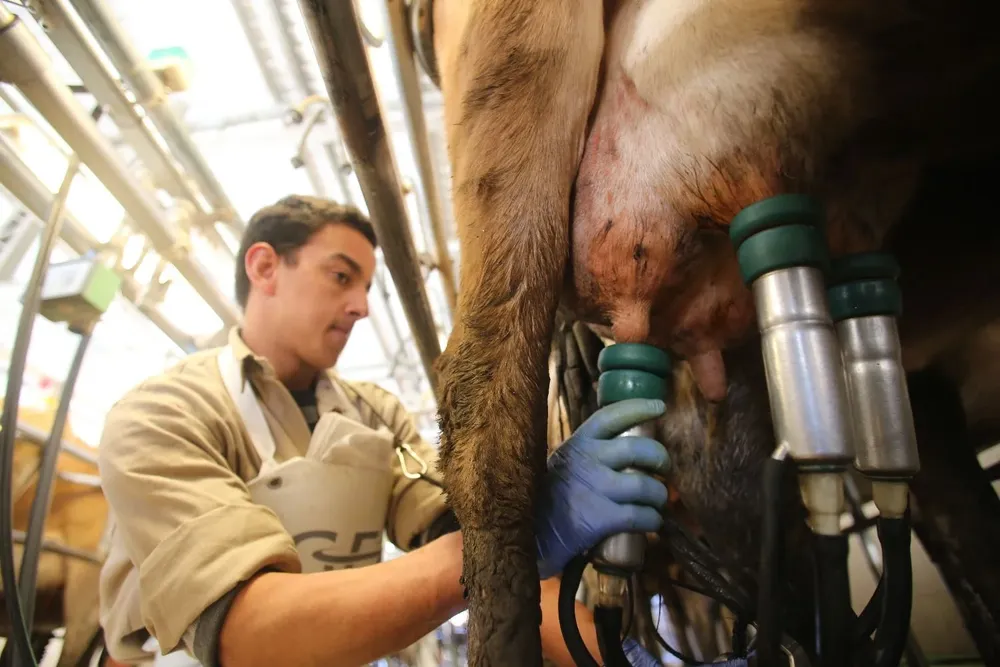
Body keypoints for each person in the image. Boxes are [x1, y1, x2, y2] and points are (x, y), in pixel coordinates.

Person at [97, 195, 671, 667]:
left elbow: (470, 544)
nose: (361, 307)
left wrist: (615, 660)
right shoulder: (161, 415)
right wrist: (514, 543)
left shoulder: (373, 414)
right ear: (264, 266)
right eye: (342, 277)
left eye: (368, 288)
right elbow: (246, 631)